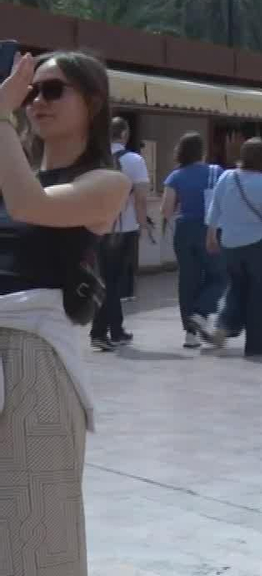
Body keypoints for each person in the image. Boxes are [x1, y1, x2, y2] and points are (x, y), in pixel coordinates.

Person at [0, 49, 132, 576]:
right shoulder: (14, 171)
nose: (37, 102)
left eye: (53, 90)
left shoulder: (107, 181)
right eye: (31, 92)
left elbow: (33, 206)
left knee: (37, 527)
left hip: (34, 354)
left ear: (93, 102)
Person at [194, 137, 262, 355]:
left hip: (230, 244)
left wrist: (211, 235)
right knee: (259, 294)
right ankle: (257, 345)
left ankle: (223, 327)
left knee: (237, 288)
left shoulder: (226, 177)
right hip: (257, 246)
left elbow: (215, 207)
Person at [161, 132, 225, 349]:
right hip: (210, 230)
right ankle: (201, 312)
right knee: (219, 276)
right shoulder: (217, 173)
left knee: (188, 280)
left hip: (184, 231)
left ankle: (190, 335)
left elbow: (166, 210)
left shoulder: (175, 176)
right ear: (202, 151)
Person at [89, 116, 148, 349]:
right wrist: (143, 225)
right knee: (114, 282)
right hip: (124, 227)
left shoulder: (95, 159)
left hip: (97, 227)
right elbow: (142, 198)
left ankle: (115, 329)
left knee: (104, 278)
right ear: (124, 134)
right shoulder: (135, 160)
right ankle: (100, 332)